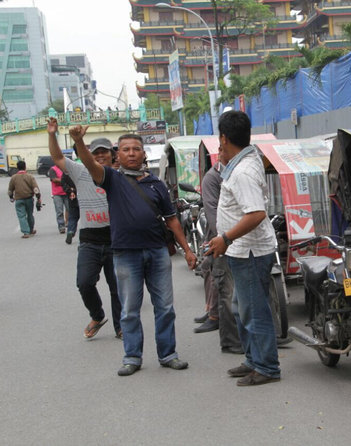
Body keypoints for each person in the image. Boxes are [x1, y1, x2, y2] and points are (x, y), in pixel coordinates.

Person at [71, 125, 197, 376]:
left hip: (157, 253)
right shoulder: (111, 179)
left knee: (165, 308)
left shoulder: (157, 184)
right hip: (126, 254)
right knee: (129, 310)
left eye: (136, 149)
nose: (131, 153)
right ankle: (132, 357)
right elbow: (89, 163)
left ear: (143, 154)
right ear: (118, 155)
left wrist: (188, 250)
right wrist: (78, 141)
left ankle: (168, 354)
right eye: (126, 149)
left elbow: (172, 220)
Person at [207, 111, 280, 386]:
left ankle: (266, 366)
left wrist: (225, 238)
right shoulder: (243, 162)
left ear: (224, 138)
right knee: (241, 308)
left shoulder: (244, 171)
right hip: (242, 251)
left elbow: (256, 214)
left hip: (250, 251)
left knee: (254, 310)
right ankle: (253, 359)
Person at [47, 118, 123, 339]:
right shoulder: (80, 172)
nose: (100, 156)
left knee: (117, 288)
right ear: (88, 154)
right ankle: (97, 315)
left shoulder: (119, 177)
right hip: (89, 239)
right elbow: (58, 157)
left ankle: (120, 326)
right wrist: (52, 134)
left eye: (104, 153)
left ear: (113, 155)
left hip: (115, 238)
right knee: (84, 283)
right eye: (96, 152)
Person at [197, 161, 244, 353]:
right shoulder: (212, 178)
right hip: (223, 240)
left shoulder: (243, 171)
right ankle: (230, 340)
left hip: (243, 237)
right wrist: (225, 238)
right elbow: (211, 211)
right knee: (227, 291)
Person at [7, 160, 41, 239]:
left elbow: (10, 190)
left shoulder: (14, 177)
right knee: (30, 214)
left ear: (17, 168)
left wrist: (11, 197)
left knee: (21, 216)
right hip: (29, 199)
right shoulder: (30, 177)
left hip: (19, 199)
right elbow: (35, 188)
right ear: (25, 167)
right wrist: (38, 197)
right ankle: (31, 229)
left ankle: (25, 232)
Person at [48, 163, 69, 233]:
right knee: (59, 211)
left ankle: (69, 223)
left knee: (69, 209)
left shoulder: (65, 168)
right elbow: (54, 179)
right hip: (57, 194)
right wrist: (65, 181)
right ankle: (61, 226)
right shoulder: (53, 169)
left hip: (67, 192)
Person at [61, 170, 79, 244]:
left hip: (72, 197)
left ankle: (70, 231)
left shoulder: (67, 172)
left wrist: (69, 190)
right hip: (84, 197)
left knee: (72, 217)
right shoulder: (82, 169)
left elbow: (63, 182)